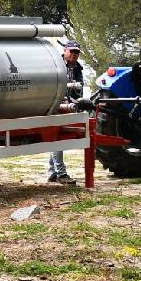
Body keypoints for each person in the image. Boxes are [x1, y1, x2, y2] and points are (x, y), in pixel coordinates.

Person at [47, 40, 85, 185]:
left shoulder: (78, 68)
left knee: (57, 137)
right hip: (54, 105)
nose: (74, 55)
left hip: (68, 106)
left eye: (77, 52)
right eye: (72, 51)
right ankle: (61, 174)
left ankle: (52, 173)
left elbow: (79, 89)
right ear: (65, 51)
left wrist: (78, 101)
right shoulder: (55, 65)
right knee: (57, 138)